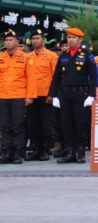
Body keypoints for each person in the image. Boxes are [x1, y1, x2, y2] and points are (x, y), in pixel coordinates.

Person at [47, 27, 97, 164]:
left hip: (80, 94)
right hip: (64, 94)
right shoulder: (63, 55)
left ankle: (80, 152)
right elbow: (56, 76)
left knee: (80, 124)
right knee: (66, 124)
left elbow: (94, 76)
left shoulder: (87, 54)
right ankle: (70, 152)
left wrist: (92, 95)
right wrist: (54, 95)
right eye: (69, 37)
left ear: (80, 39)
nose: (71, 40)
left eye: (74, 37)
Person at [24, 28, 57, 161]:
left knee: (46, 124)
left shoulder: (51, 55)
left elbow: (55, 76)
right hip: (31, 95)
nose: (35, 40)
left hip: (45, 94)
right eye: (33, 38)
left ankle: (45, 150)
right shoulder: (27, 56)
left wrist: (52, 94)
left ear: (43, 40)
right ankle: (35, 149)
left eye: (38, 38)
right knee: (32, 124)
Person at [0, 29, 31, 164]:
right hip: (2, 96)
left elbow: (31, 79)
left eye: (11, 40)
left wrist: (29, 96)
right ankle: (6, 152)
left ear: (17, 42)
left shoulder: (25, 57)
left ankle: (18, 153)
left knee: (17, 126)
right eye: (6, 40)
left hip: (18, 96)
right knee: (4, 126)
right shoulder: (0, 57)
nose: (8, 42)